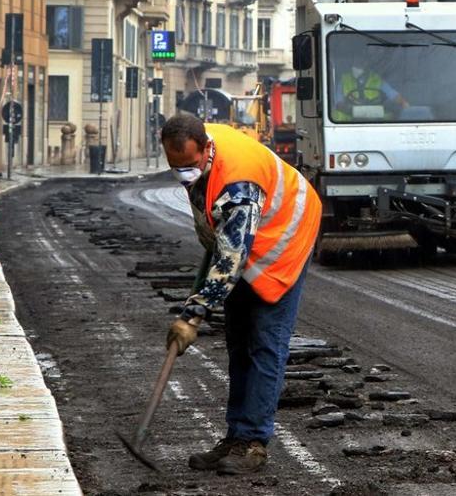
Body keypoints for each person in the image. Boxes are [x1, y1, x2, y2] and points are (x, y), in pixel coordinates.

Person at [161, 113, 321, 475]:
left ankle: (253, 444)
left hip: (284, 238)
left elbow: (231, 259)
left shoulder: (239, 183)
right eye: (176, 168)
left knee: (264, 339)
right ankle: (235, 436)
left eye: (189, 166)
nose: (184, 174)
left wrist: (194, 314)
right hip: (245, 236)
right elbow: (216, 237)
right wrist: (195, 303)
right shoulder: (198, 152)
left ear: (206, 149)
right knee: (238, 339)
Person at [332, 63, 408, 121]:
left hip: (376, 118)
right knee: (335, 115)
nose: (358, 65)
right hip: (350, 119)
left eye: (361, 62)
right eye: (356, 62)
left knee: (396, 115)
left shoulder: (376, 79)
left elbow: (394, 95)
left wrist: (404, 103)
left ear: (367, 64)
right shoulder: (344, 79)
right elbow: (339, 103)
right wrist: (353, 111)